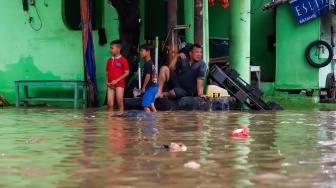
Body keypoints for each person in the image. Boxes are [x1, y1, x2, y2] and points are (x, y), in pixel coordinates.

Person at [106, 39, 129, 111]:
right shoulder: (109, 60)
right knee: (109, 104)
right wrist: (107, 82)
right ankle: (110, 120)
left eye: (112, 48)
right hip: (110, 85)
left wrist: (116, 80)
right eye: (110, 48)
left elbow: (127, 73)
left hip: (120, 84)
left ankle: (120, 120)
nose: (110, 50)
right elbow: (107, 72)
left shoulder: (123, 60)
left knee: (120, 103)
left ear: (118, 49)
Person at [139, 43, 158, 112]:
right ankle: (155, 120)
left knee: (145, 106)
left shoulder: (148, 63)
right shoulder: (150, 63)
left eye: (142, 50)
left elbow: (148, 76)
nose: (140, 52)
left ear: (148, 52)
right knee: (152, 105)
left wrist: (143, 87)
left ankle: (148, 121)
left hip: (150, 88)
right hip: (154, 87)